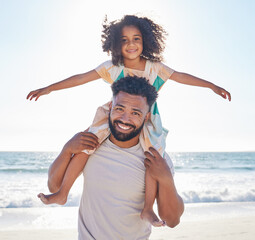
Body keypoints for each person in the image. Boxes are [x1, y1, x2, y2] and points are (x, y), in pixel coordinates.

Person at [27, 14, 231, 226]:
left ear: (145, 41)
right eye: (124, 40)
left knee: (153, 156)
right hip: (113, 114)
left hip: (147, 118)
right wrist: (48, 88)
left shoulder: (155, 68)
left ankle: (147, 208)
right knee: (87, 142)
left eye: (136, 39)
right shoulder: (112, 67)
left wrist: (212, 86)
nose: (131, 44)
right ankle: (63, 193)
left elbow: (182, 76)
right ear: (115, 43)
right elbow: (80, 78)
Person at [48, 76, 184, 239]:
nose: (125, 119)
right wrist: (67, 149)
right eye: (120, 109)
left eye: (135, 112)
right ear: (111, 107)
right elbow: (55, 188)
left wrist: (166, 178)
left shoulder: (156, 158)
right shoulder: (90, 145)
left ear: (146, 117)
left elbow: (172, 220)